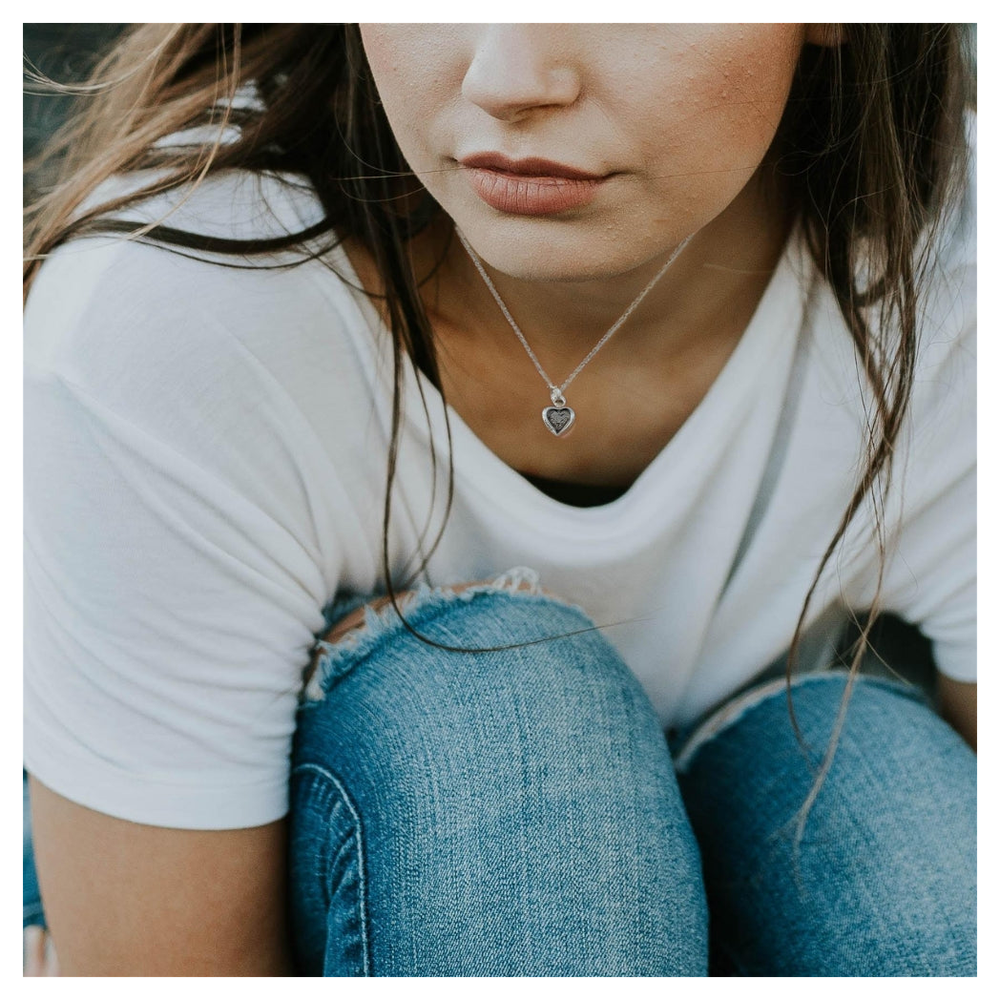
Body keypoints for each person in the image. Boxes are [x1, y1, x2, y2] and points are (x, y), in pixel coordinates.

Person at [22, 22, 977, 978]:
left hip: (771, 817)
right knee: (502, 728)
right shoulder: (182, 310)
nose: (508, 79)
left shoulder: (951, 282)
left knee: (887, 819)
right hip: (330, 886)